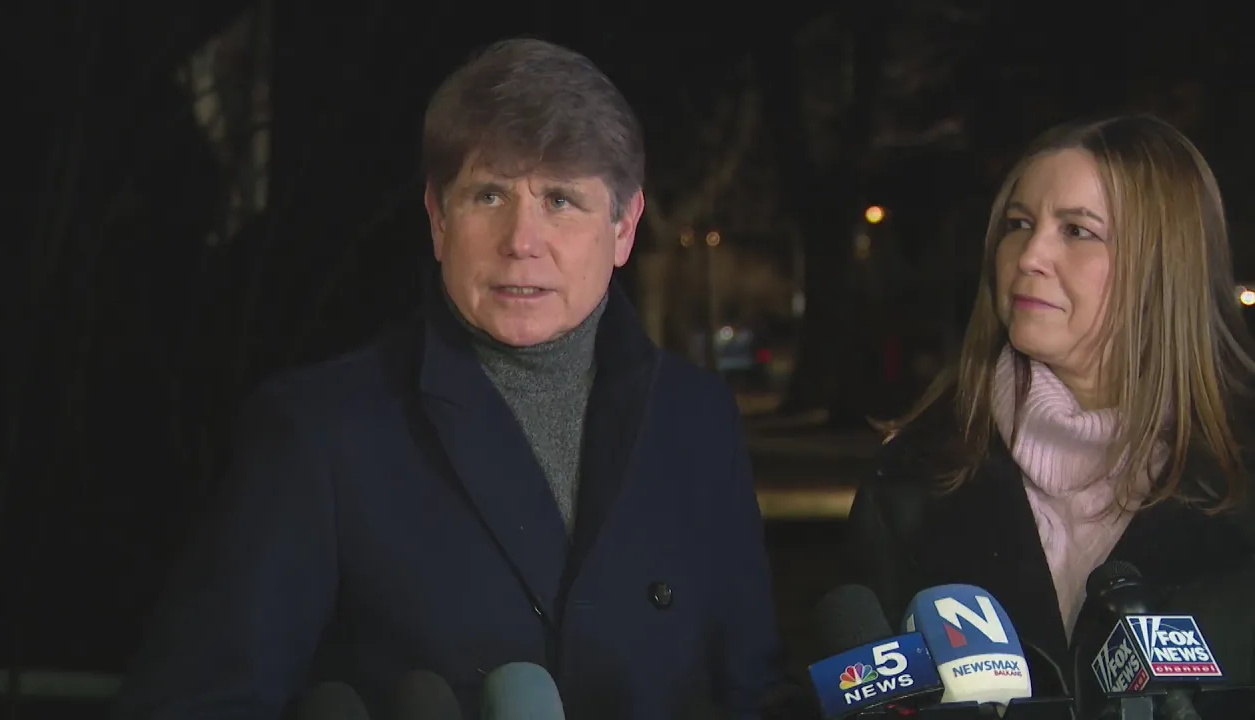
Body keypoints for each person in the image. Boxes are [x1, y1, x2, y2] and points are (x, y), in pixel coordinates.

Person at [111, 38, 785, 719]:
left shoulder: (697, 420)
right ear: (438, 220)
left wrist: (836, 695)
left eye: (560, 200)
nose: (521, 240)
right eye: (489, 195)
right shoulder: (320, 434)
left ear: (624, 227)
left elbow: (755, 691)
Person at [843, 115, 1255, 697]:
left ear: (1167, 263)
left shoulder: (1239, 474)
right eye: (1018, 224)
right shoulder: (913, 481)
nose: (1029, 255)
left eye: (1078, 230)